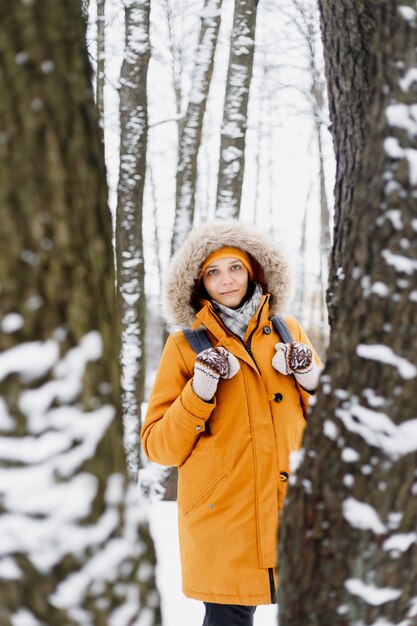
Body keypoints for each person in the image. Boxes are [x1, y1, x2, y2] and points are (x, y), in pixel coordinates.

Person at [141, 220, 322, 626]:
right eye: (213, 272)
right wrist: (199, 390)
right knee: (229, 618)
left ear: (253, 270)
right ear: (199, 282)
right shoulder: (184, 345)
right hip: (224, 517)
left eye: (235, 268)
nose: (226, 280)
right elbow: (159, 446)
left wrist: (311, 379)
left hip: (294, 509)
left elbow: (331, 424)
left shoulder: (288, 330)